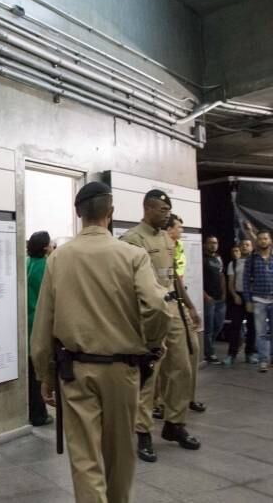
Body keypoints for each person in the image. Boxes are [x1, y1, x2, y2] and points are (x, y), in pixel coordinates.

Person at [31, 182, 169, 503]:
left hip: (75, 371)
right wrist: (151, 345)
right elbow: (156, 307)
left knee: (84, 460)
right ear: (111, 212)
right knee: (120, 455)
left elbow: (43, 326)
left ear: (78, 214)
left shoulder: (58, 259)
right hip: (123, 370)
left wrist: (44, 374)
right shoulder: (133, 256)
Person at [120, 189, 201, 463]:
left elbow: (173, 277)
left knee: (182, 367)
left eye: (169, 211)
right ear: (147, 208)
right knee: (149, 373)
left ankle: (174, 423)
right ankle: (143, 432)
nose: (167, 214)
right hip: (147, 312)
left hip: (172, 308)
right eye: (162, 210)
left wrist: (188, 306)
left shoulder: (167, 238)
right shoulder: (133, 239)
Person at [153, 214, 205, 420]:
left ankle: (184, 399)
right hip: (160, 307)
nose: (181, 231)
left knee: (190, 352)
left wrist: (189, 307)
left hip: (177, 303)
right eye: (179, 227)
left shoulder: (176, 247)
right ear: (169, 229)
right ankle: (159, 403)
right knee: (161, 360)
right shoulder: (157, 246)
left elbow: (177, 280)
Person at [26, 231, 54, 426]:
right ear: (45, 247)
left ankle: (35, 411)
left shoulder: (27, 262)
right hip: (40, 322)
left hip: (25, 323)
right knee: (40, 372)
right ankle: (39, 414)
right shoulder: (47, 266)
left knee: (30, 371)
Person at [243, 229, 273, 373]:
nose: (263, 241)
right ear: (257, 241)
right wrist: (248, 300)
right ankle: (263, 360)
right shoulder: (252, 259)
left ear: (270, 240)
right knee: (260, 332)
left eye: (265, 238)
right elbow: (245, 280)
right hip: (258, 300)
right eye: (260, 239)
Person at [225, 239, 257, 365]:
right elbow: (230, 283)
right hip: (238, 296)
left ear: (251, 247)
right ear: (239, 247)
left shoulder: (256, 262)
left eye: (247, 245)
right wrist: (234, 295)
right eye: (242, 245)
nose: (244, 247)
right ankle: (231, 354)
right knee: (235, 326)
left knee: (252, 326)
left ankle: (250, 353)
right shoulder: (233, 263)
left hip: (253, 297)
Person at [202, 236, 227, 364]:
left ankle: (208, 348)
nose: (213, 245)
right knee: (209, 328)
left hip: (220, 298)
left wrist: (224, 292)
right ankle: (210, 354)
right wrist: (205, 296)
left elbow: (221, 275)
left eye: (215, 243)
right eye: (210, 243)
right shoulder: (202, 259)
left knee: (218, 325)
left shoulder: (218, 258)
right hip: (208, 299)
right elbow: (197, 278)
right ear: (205, 244)